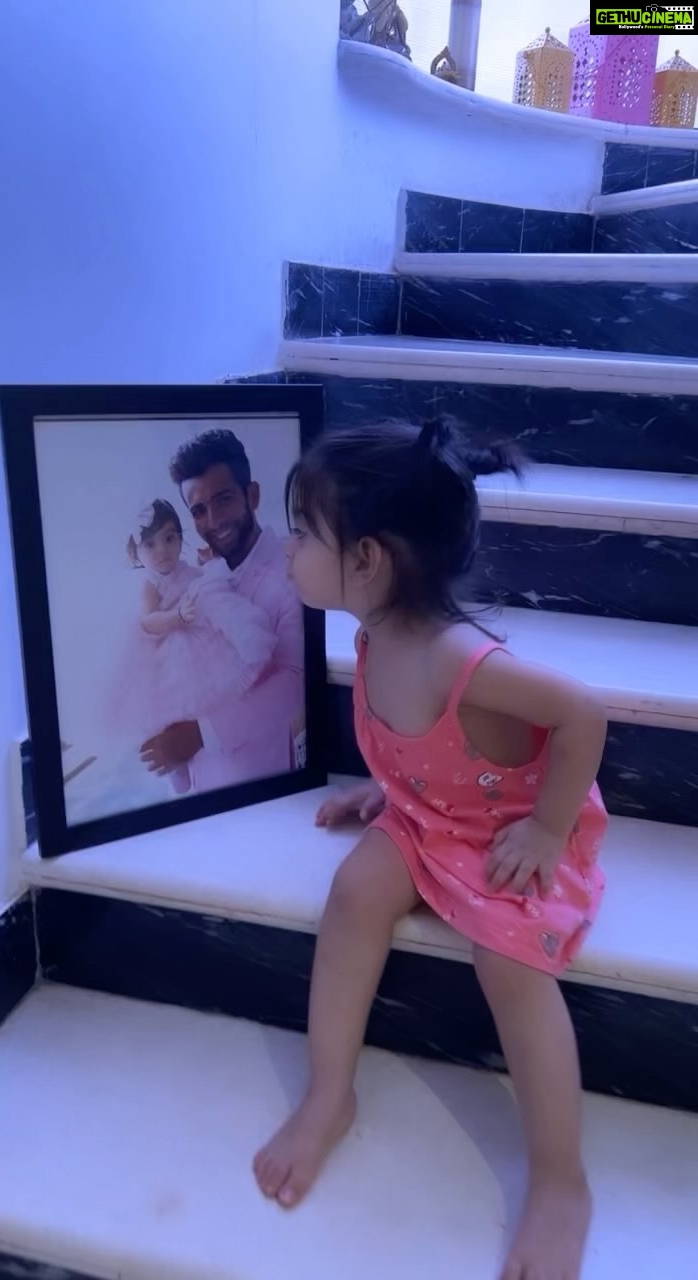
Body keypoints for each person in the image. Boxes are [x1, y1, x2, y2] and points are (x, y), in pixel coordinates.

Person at [254, 417, 608, 1280]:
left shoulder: (462, 660)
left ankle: (561, 1180)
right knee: (354, 893)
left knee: (508, 965)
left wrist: (547, 829)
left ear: (368, 559)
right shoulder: (373, 634)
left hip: (507, 829)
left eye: (302, 534)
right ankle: (329, 1093)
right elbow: (425, 742)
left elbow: (582, 715)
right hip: (428, 815)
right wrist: (390, 788)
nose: (287, 549)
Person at [139, 430, 304, 790]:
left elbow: (295, 682)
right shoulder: (198, 577)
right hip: (199, 781)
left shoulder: (292, 570)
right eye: (199, 511)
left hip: (256, 785)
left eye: (223, 499)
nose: (213, 520)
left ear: (252, 495)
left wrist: (201, 733)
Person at [108, 498, 276, 796]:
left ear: (180, 538)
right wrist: (176, 617)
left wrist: (210, 565)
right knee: (168, 712)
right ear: (136, 551)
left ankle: (205, 753)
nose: (162, 551)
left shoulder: (186, 570)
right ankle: (177, 769)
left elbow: (206, 585)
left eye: (169, 538)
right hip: (166, 653)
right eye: (150, 545)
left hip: (198, 645)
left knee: (204, 702)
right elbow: (147, 621)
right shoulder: (149, 584)